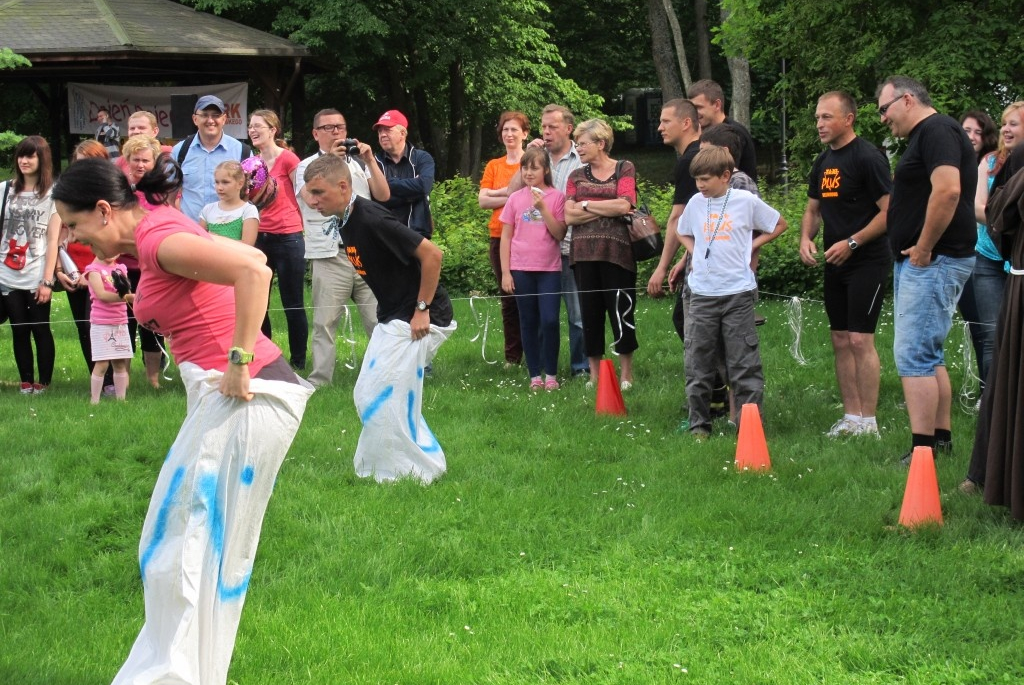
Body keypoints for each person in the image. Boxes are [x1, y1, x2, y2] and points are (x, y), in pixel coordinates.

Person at [53, 158, 313, 685]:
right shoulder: (155, 234)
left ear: (103, 211)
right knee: (174, 548)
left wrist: (239, 360)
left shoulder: (156, 239)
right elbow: (247, 253)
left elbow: (254, 270)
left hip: (251, 392)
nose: (76, 238)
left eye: (75, 225)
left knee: (186, 553)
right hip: (231, 393)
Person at [302, 153, 454, 483]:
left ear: (343, 186)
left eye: (318, 193)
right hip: (393, 315)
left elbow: (433, 254)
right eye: (309, 194)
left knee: (378, 395)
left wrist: (421, 310)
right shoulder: (344, 217)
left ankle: (416, 470)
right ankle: (398, 465)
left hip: (420, 317)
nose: (312, 201)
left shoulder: (371, 218)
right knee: (372, 394)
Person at [876, 75, 978, 465]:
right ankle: (941, 440)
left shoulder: (936, 130)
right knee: (929, 354)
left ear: (906, 100)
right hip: (928, 259)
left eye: (885, 109)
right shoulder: (929, 134)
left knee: (913, 354)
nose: (884, 119)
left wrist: (923, 247)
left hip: (935, 259)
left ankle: (923, 452)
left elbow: (948, 190)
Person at [799, 91, 892, 438]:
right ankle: (851, 416)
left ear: (848, 119)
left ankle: (869, 421)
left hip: (866, 260)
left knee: (859, 340)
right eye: (817, 118)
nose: (819, 124)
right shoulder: (823, 162)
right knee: (839, 338)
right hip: (834, 261)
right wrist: (805, 239)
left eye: (826, 117)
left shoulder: (868, 158)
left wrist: (853, 242)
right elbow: (813, 209)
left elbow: (890, 211)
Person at [677, 146, 787, 439]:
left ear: (725, 176)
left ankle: (750, 428)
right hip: (702, 294)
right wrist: (695, 252)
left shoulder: (745, 201)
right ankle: (698, 425)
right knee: (698, 361)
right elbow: (681, 230)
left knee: (743, 362)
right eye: (696, 180)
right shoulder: (695, 203)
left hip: (738, 293)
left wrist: (751, 247)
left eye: (705, 179)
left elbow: (779, 224)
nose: (700, 185)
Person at [294, 108, 389, 387]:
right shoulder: (307, 166)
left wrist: (370, 160)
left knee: (378, 319)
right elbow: (309, 199)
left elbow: (383, 195)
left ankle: (384, 376)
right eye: (328, 128)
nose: (336, 132)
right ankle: (320, 381)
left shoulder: (359, 164)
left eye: (341, 127)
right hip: (329, 253)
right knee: (324, 322)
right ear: (315, 134)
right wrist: (330, 164)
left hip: (365, 252)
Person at [960, 104, 1023, 493]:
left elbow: (998, 216)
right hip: (1008, 270)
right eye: (1004, 125)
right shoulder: (1006, 165)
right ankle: (984, 474)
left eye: (1014, 123)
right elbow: (994, 217)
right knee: (1002, 371)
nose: (1006, 130)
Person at [564, 118, 638, 389]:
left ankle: (626, 374)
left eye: (583, 143)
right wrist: (603, 205)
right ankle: (595, 376)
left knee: (621, 312)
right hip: (583, 255)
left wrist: (584, 203)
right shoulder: (575, 176)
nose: (578, 148)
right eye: (577, 143)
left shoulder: (624, 168)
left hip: (617, 254)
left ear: (601, 143)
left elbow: (625, 205)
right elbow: (568, 216)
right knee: (590, 315)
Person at [499, 147, 567, 390]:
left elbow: (559, 233)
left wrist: (543, 209)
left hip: (549, 270)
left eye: (534, 168)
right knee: (527, 320)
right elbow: (506, 237)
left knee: (549, 320)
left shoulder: (557, 197)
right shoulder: (515, 199)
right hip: (521, 268)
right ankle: (534, 375)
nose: (528, 172)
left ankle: (551, 374)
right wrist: (506, 272)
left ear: (545, 170)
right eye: (525, 167)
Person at [248, 108, 309, 371]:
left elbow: (305, 196)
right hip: (259, 236)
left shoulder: (289, 159)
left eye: (258, 126)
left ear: (273, 130)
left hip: (288, 237)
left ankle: (298, 361)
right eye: (250, 126)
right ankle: (266, 356)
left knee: (292, 300)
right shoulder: (252, 162)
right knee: (258, 300)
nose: (252, 130)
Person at [1, 135, 61, 394]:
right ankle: (26, 382)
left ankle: (44, 383)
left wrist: (47, 281)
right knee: (19, 329)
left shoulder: (53, 194)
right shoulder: (4, 189)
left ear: (41, 159)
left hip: (37, 272)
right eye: (21, 155)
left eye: (30, 155)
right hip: (6, 272)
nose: (24, 161)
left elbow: (53, 238)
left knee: (40, 328)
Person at [533, 104, 588, 378]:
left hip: (571, 247)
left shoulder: (583, 160)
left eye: (552, 127)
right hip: (539, 251)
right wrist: (527, 157)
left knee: (577, 314)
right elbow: (513, 196)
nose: (546, 132)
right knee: (544, 315)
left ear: (568, 128)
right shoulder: (536, 159)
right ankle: (544, 366)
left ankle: (581, 367)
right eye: (543, 127)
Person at [647, 98, 702, 345]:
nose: (660, 127)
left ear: (686, 123)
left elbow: (678, 219)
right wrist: (683, 260)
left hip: (707, 260)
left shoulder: (691, 162)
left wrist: (661, 268)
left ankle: (719, 383)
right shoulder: (703, 154)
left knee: (688, 321)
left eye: (666, 121)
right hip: (701, 253)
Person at [479, 111, 530, 367]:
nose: (509, 134)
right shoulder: (494, 165)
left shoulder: (531, 162)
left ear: (525, 134)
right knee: (508, 298)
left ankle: (534, 351)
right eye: (505, 130)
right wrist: (511, 195)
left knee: (529, 297)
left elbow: (529, 194)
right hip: (499, 237)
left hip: (528, 237)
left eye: (514, 130)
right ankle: (513, 357)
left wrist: (499, 195)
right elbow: (482, 200)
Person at [120, 135, 171, 388]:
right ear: (127, 161)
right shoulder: (118, 191)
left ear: (154, 162)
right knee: (124, 323)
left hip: (150, 268)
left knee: (151, 323)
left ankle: (153, 378)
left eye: (145, 160)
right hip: (123, 267)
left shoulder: (161, 193)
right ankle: (124, 377)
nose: (140, 165)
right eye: (135, 159)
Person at [57, 140, 111, 374]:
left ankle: (110, 378)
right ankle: (95, 377)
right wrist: (59, 270)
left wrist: (92, 275)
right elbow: (57, 234)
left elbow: (113, 236)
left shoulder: (111, 191)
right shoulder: (67, 193)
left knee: (100, 324)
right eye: (80, 163)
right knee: (82, 326)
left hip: (100, 268)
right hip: (72, 267)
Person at [171, 94, 251, 222]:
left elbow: (248, 195)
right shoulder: (180, 151)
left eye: (215, 115)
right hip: (190, 231)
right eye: (204, 115)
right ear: (195, 119)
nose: (210, 120)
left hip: (229, 232)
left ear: (224, 119)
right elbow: (170, 194)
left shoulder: (243, 151)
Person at [373, 109, 435, 238]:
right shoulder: (373, 162)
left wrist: (388, 184)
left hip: (418, 235)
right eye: (380, 131)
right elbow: (375, 198)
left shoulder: (421, 158)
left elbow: (424, 186)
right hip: (384, 236)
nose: (382, 134)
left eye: (387, 130)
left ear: (402, 133)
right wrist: (412, 194)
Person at [686, 79, 758, 181]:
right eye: (692, 108)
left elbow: (723, 177)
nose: (694, 113)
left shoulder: (734, 133)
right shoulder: (707, 133)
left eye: (699, 107)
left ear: (717, 105)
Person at [83, 254, 132, 403]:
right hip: (101, 322)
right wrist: (128, 298)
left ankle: (121, 400)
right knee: (102, 362)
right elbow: (102, 295)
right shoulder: (93, 271)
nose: (112, 254)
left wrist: (128, 296)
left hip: (120, 322)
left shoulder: (120, 269)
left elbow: (126, 291)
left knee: (119, 362)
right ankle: (94, 400)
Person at [200, 160, 259, 244]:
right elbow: (200, 241)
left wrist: (216, 239)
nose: (219, 188)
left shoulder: (248, 210)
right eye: (217, 182)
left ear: (240, 183)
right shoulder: (208, 209)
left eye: (225, 182)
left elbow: (247, 245)